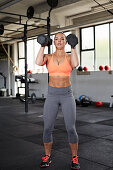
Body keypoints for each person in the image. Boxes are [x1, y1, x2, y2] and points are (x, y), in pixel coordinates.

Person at [35, 32, 80, 169]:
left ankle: (74, 158)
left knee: (71, 128)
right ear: (53, 42)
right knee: (47, 128)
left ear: (66, 42)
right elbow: (37, 62)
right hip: (52, 95)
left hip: (67, 94)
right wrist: (42, 45)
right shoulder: (48, 57)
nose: (59, 41)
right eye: (56, 39)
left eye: (62, 39)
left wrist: (73, 47)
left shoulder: (69, 56)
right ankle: (47, 157)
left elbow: (76, 64)